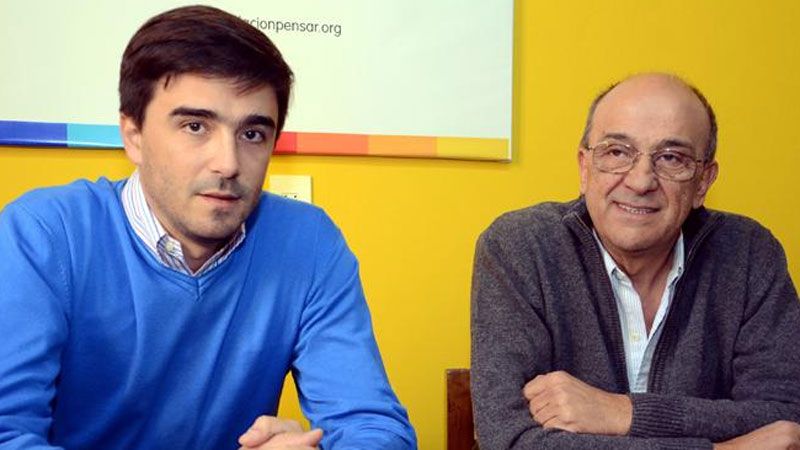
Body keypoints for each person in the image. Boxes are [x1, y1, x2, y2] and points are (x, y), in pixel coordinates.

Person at [0, 6, 416, 450]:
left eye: (252, 134)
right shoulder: (43, 235)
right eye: (195, 126)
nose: (228, 163)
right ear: (133, 134)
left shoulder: (309, 244)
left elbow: (374, 427)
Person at [470, 73, 800, 449]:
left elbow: (786, 421)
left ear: (703, 182)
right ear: (584, 167)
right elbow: (511, 440)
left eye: (671, 158)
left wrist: (623, 413)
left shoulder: (750, 254)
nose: (641, 181)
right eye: (616, 152)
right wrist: (721, 448)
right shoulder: (520, 248)